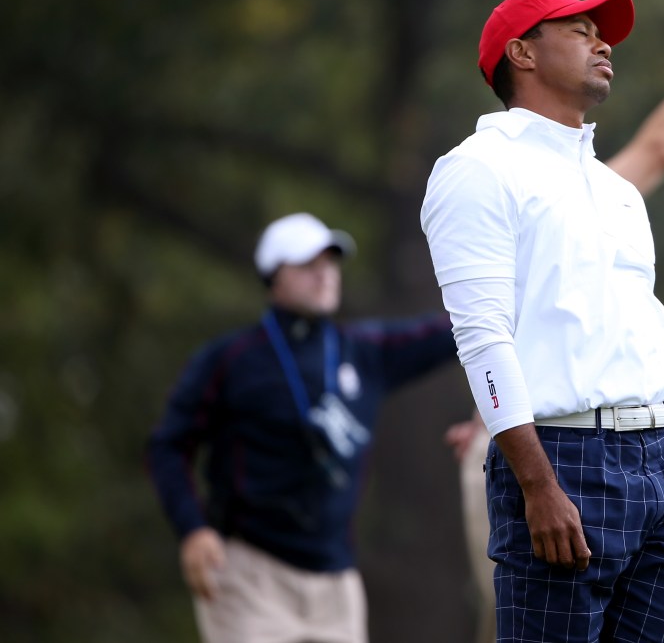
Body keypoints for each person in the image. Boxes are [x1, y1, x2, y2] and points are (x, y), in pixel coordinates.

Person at [422, 0, 664, 641]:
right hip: (563, 462)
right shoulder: (476, 170)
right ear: (522, 52)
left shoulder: (615, 192)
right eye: (579, 31)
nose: (604, 44)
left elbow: (641, 343)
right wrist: (536, 486)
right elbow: (483, 338)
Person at [146, 212, 457, 643]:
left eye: (330, 264)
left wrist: (514, 295)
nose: (324, 275)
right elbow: (168, 446)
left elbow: (451, 332)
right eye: (308, 265)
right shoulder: (230, 360)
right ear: (274, 276)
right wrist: (192, 529)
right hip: (248, 575)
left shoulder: (364, 352)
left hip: (337, 586)